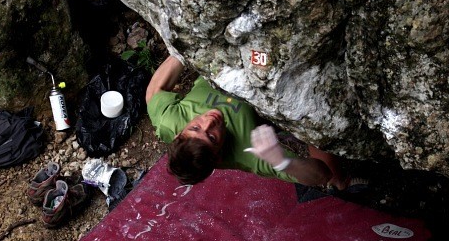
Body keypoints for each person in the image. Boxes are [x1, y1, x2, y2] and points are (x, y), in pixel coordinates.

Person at [146, 55, 349, 188]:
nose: (209, 122)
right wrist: (281, 161)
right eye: (211, 137)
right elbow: (321, 175)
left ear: (179, 133)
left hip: (225, 61)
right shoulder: (248, 153)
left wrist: (180, 50)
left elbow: (154, 92)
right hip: (263, 82)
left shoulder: (168, 121)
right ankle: (342, 184)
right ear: (219, 157)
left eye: (195, 127)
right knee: (311, 122)